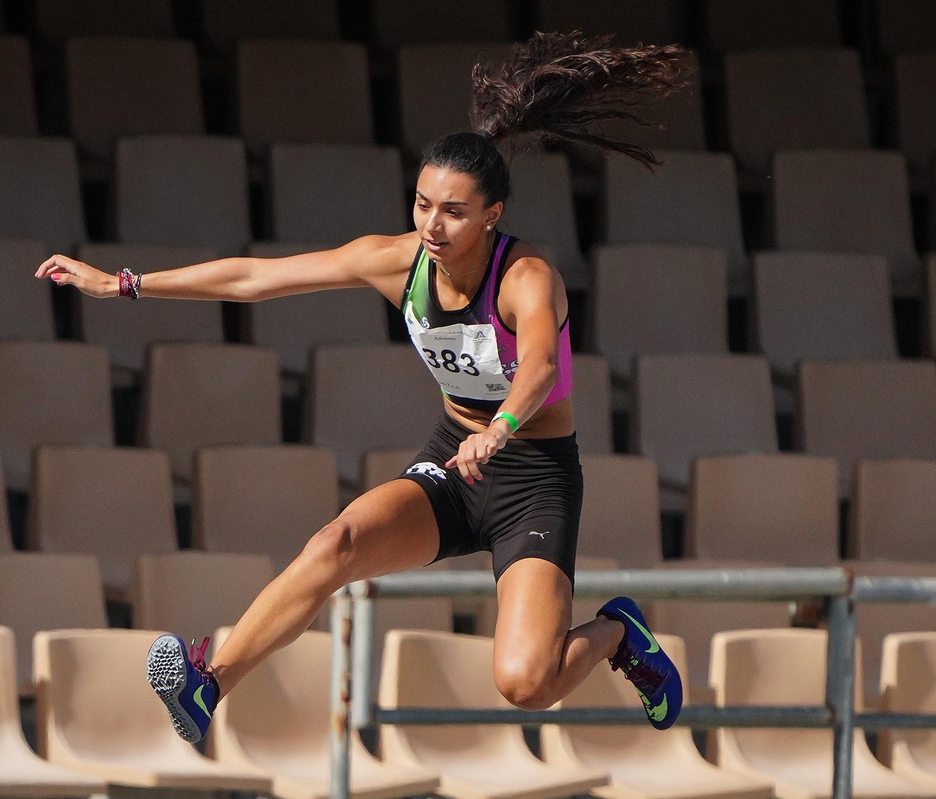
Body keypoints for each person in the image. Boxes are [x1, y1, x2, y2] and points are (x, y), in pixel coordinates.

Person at [35, 32, 691, 745]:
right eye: (422, 204)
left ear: (492, 215)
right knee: (336, 543)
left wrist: (500, 428)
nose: (432, 225)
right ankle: (207, 684)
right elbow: (255, 278)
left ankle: (619, 633)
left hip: (533, 477)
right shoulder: (395, 262)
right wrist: (124, 283)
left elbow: (540, 367)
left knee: (527, 683)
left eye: (454, 212)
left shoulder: (526, 277)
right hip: (453, 461)